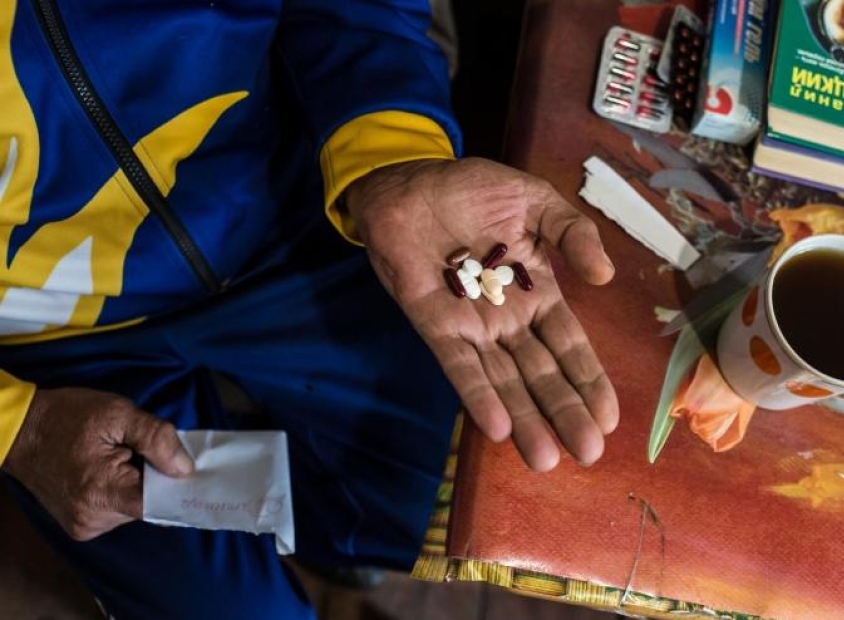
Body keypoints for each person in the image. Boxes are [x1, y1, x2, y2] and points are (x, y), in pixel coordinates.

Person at [0, 1, 619, 618]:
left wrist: (391, 159)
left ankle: (299, 514)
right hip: (47, 339)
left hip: (282, 208)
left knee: (472, 494)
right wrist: (19, 431)